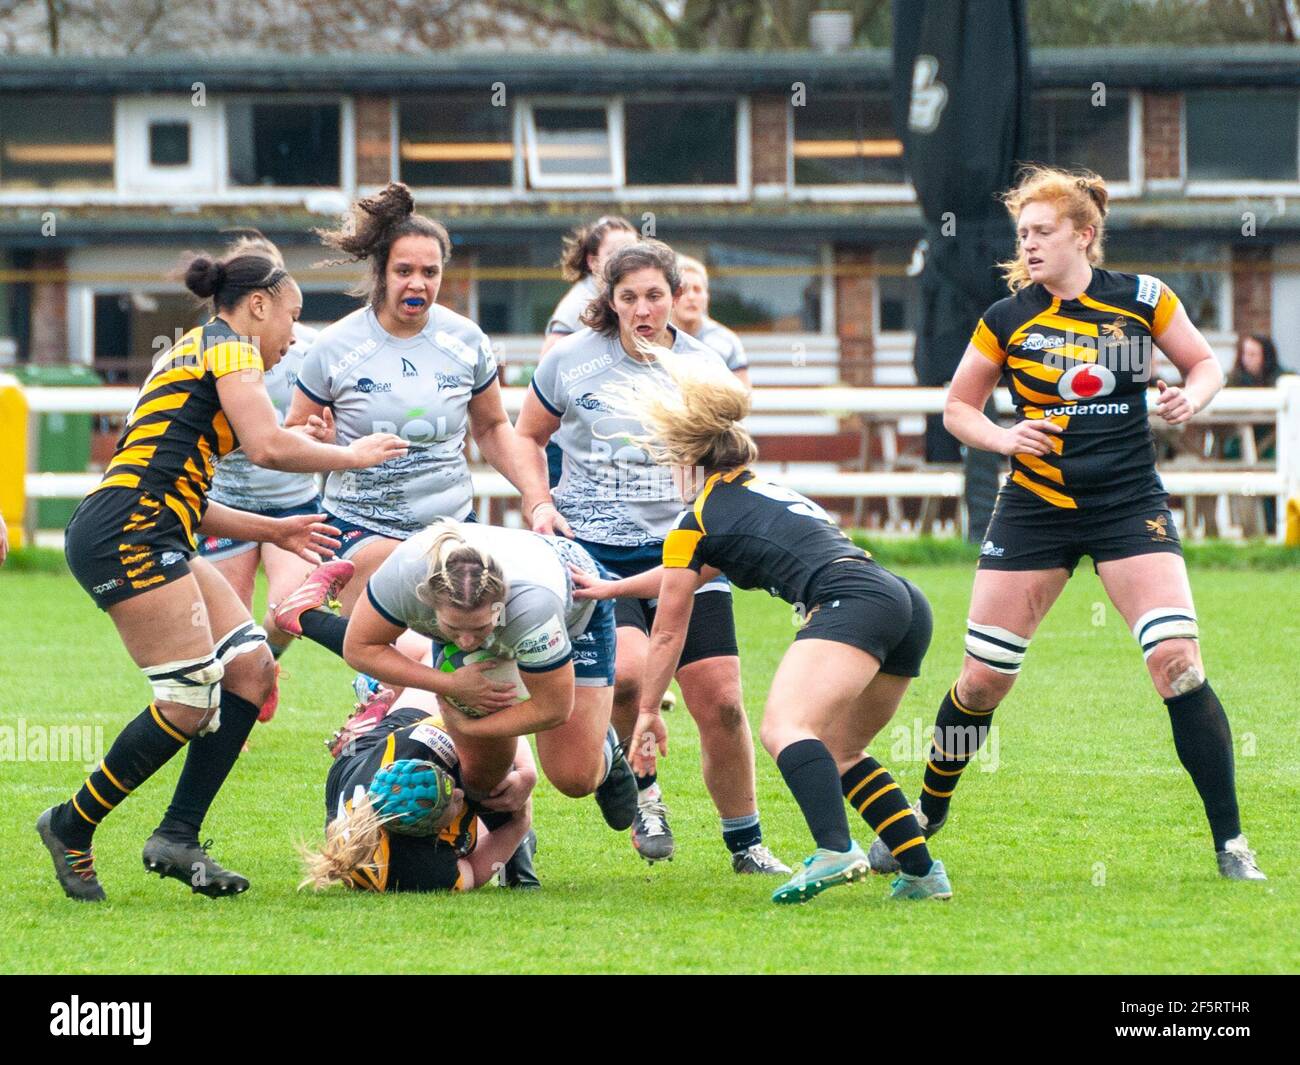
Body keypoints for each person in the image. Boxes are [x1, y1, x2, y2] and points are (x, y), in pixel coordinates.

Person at [892, 165, 1265, 880]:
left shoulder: (1144, 299)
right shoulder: (1007, 317)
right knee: (980, 682)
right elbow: (957, 408)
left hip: (1128, 505)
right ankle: (925, 816)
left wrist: (1195, 395)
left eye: (1041, 232)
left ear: (1084, 236)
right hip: (1035, 510)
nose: (1027, 245)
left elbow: (1207, 363)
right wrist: (1004, 438)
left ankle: (1231, 845)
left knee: (1178, 665)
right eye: (1022, 233)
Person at [37, 238, 407, 902]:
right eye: (293, 318)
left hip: (151, 524)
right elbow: (267, 445)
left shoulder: (200, 351)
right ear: (258, 306)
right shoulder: (229, 347)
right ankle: (71, 823)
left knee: (252, 666)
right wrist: (353, 457)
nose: (295, 339)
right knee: (185, 700)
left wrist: (277, 528)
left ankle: (177, 834)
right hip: (129, 532)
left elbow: (185, 493)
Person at [570, 347, 951, 904]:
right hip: (901, 599)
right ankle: (922, 873)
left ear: (684, 460)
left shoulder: (696, 517)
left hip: (850, 601)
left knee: (785, 728)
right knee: (841, 750)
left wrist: (648, 712)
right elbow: (682, 574)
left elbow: (670, 630)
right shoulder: (757, 493)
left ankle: (834, 850)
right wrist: (612, 588)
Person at [516, 240, 787, 875]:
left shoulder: (705, 367)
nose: (643, 309)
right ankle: (646, 795)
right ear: (607, 300)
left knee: (721, 701)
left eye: (655, 295)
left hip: (683, 553)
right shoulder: (570, 363)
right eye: (629, 296)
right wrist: (538, 503)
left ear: (675, 297)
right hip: (596, 555)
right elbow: (527, 435)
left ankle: (747, 843)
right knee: (634, 676)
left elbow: (735, 462)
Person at [281, 182, 554, 659]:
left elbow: (491, 429)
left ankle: (385, 714)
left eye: (430, 272)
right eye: (404, 271)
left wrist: (536, 496)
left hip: (448, 525)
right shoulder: (335, 346)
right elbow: (289, 439)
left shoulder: (465, 339)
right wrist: (320, 443)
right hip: (359, 525)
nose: (418, 284)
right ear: (381, 273)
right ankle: (349, 671)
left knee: (473, 652)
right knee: (406, 651)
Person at [335, 519, 639, 850]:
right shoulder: (404, 575)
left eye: (479, 628)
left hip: (575, 612)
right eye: (452, 627)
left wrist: (472, 728)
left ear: (500, 604)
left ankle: (603, 745)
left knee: (575, 778)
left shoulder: (532, 607)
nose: (465, 642)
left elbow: (552, 708)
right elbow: (360, 648)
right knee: (481, 778)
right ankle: (507, 847)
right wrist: (450, 683)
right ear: (428, 601)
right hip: (505, 617)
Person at [197, 233, 324, 722]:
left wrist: (319, 433)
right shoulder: (211, 347)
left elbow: (310, 425)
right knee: (226, 632)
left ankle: (264, 669)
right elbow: (260, 440)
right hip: (227, 505)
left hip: (293, 501)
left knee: (286, 614)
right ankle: (231, 711)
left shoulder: (306, 347)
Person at [302, 679, 535, 894]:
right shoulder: (409, 868)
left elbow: (495, 721)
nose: (459, 793)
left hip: (365, 756)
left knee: (432, 664)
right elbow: (471, 871)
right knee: (495, 804)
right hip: (354, 785)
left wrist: (526, 772)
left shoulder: (427, 741)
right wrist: (519, 821)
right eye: (451, 800)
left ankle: (368, 727)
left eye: (450, 786)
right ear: (427, 831)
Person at [538, 216, 639, 488]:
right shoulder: (577, 307)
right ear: (593, 262)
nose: (625, 261)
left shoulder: (627, 298)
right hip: (573, 446)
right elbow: (548, 371)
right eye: (615, 254)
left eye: (632, 252)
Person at [671, 255, 751, 389]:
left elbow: (744, 395)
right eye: (683, 290)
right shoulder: (656, 338)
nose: (691, 297)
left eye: (697, 290)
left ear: (706, 296)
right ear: (671, 296)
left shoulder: (727, 341)